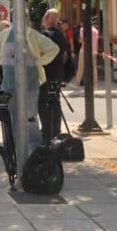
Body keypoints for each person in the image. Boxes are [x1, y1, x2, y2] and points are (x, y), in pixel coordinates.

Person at [0, 20, 59, 151]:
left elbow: (54, 49)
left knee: (30, 117)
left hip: (30, 84)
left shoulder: (32, 35)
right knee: (10, 116)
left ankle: (34, 147)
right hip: (9, 84)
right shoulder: (4, 35)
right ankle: (12, 145)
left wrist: (38, 62)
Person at [39, 9, 70, 142]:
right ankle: (55, 130)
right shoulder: (61, 35)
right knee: (55, 101)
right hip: (58, 73)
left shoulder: (45, 35)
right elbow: (65, 55)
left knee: (42, 103)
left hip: (46, 74)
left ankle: (47, 131)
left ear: (46, 19)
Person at [73, 20, 100, 87]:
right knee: (94, 68)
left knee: (80, 68)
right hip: (94, 51)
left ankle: (77, 83)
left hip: (84, 51)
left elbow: (81, 40)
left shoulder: (82, 29)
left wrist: (79, 40)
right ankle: (95, 85)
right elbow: (97, 42)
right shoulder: (96, 31)